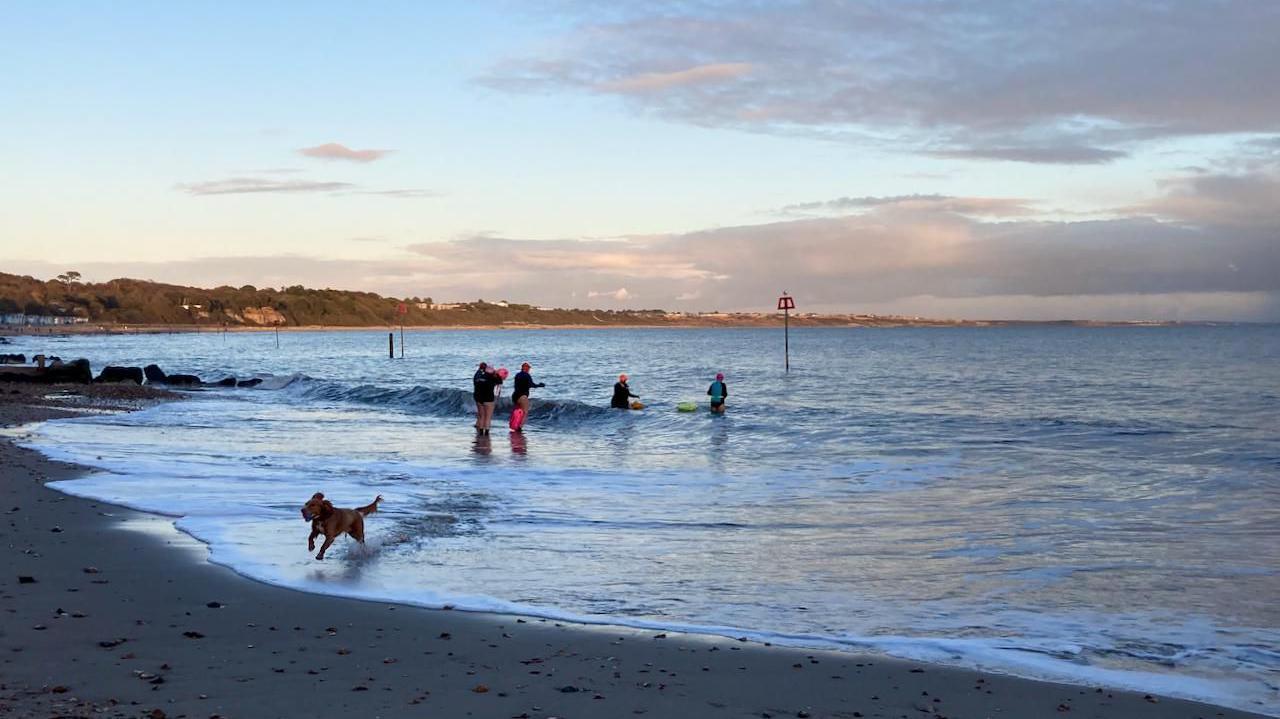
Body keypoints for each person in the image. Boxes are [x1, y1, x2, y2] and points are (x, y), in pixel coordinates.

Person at [472, 362, 502, 433]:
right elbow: (500, 382)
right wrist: (496, 374)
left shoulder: (478, 376)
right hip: (488, 398)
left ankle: (481, 432)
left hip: (478, 398)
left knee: (481, 416)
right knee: (488, 417)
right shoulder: (492, 377)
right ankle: (486, 434)